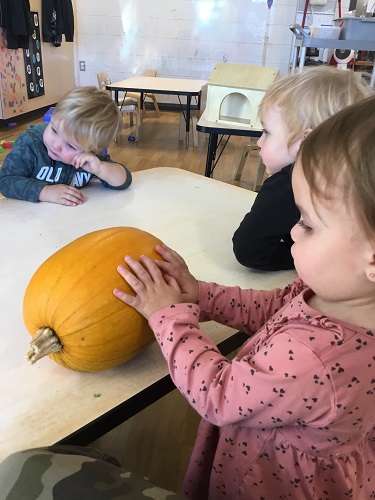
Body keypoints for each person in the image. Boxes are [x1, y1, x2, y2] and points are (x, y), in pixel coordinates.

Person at [113, 96, 375, 499]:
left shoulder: (316, 359)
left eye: (307, 223)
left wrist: (169, 316)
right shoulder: (340, 295)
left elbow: (217, 392)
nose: (291, 232)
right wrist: (200, 294)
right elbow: (271, 309)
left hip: (269, 482)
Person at [232, 66, 372, 271]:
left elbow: (249, 248)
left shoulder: (285, 186)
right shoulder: (358, 179)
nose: (259, 142)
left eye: (267, 132)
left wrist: (295, 259)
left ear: (305, 142)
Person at [0, 86, 132, 206]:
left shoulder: (89, 159)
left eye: (70, 145)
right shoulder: (30, 143)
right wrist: (46, 192)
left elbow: (124, 180)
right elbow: (5, 180)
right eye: (54, 130)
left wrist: (100, 168)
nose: (56, 145)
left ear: (92, 151)